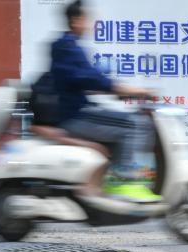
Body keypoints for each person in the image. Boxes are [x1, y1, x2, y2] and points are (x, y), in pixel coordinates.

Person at [50, 0, 157, 201]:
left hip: (77, 112)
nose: (89, 24)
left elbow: (84, 80)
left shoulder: (65, 46)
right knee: (137, 124)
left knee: (129, 122)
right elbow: (95, 79)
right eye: (86, 19)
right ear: (75, 20)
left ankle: (112, 182)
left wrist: (120, 92)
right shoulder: (68, 48)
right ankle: (125, 183)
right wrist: (136, 91)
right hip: (77, 116)